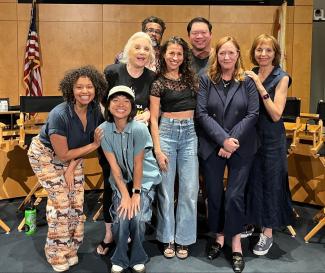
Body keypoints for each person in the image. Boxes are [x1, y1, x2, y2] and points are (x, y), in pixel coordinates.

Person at [27, 66, 107, 272]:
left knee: (77, 202)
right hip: (45, 155)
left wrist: (71, 167)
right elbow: (63, 153)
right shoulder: (59, 114)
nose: (85, 91)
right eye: (79, 87)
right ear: (70, 90)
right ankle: (55, 253)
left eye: (89, 86)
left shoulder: (95, 109)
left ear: (96, 88)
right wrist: (93, 147)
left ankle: (70, 248)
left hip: (73, 157)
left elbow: (78, 145)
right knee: (61, 202)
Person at [196, 36, 259, 273]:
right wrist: (222, 140)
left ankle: (235, 243)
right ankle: (219, 236)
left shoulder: (248, 81)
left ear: (238, 55)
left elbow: (252, 114)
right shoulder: (205, 80)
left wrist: (231, 141)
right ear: (217, 55)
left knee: (234, 195)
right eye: (222, 53)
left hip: (242, 146)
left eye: (231, 53)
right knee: (214, 195)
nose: (226, 57)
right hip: (213, 146)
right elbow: (201, 113)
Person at [96, 31, 156, 256]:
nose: (142, 52)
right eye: (138, 47)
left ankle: (131, 229)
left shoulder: (152, 77)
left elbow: (154, 107)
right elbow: (102, 104)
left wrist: (147, 114)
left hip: (137, 141)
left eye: (146, 49)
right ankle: (110, 233)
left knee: (136, 183)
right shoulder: (112, 72)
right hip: (112, 139)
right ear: (128, 49)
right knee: (112, 185)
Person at [99, 85, 161, 273]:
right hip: (120, 180)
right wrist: (124, 195)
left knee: (139, 217)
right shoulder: (103, 131)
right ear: (108, 105)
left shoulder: (140, 129)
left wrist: (135, 194)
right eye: (115, 100)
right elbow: (115, 168)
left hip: (142, 179)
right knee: (121, 217)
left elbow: (138, 165)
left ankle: (138, 256)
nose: (121, 104)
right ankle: (119, 256)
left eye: (126, 101)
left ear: (132, 106)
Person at [150, 36, 199, 260]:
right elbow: (153, 120)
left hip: (189, 134)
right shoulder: (158, 83)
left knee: (189, 190)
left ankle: (184, 239)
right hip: (166, 134)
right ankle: (167, 236)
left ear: (184, 57)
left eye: (179, 54)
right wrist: (158, 150)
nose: (175, 57)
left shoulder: (192, 80)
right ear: (163, 55)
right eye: (171, 53)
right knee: (166, 192)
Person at [245, 33, 293, 256]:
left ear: (275, 54)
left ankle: (268, 233)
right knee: (252, 181)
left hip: (272, 139)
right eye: (259, 50)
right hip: (251, 138)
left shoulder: (281, 77)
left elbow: (276, 114)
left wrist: (259, 86)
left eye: (268, 50)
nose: (263, 54)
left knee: (272, 184)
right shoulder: (249, 73)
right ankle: (253, 222)